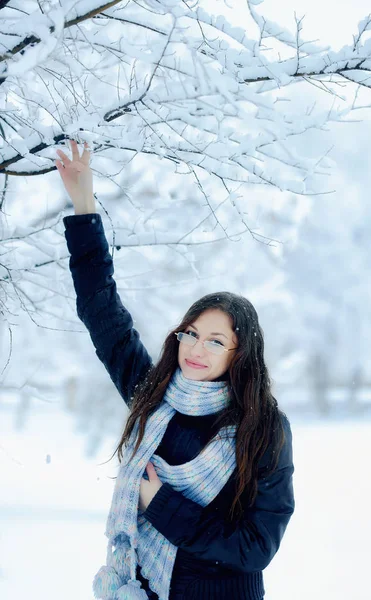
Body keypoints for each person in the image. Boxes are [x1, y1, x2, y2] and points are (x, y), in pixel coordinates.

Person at [55, 140, 295, 600]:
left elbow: (255, 546)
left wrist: (163, 505)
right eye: (191, 333)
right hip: (142, 586)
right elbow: (101, 311)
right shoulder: (154, 395)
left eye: (216, 340)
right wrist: (84, 204)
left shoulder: (264, 429)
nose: (196, 349)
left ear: (239, 355)